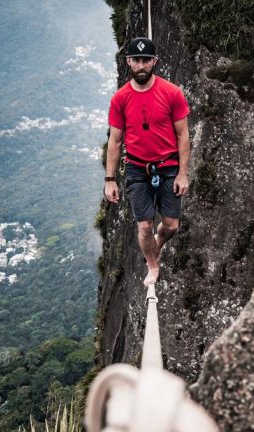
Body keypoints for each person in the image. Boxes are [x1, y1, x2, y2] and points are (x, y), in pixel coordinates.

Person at [104, 37, 191, 286]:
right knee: (144, 226)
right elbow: (115, 141)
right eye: (136, 60)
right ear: (129, 62)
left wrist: (182, 173)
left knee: (171, 226)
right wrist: (110, 180)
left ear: (154, 62)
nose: (141, 65)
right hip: (136, 168)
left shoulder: (171, 93)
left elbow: (183, 134)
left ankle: (157, 244)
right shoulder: (120, 99)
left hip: (168, 166)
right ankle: (153, 266)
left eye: (146, 60)